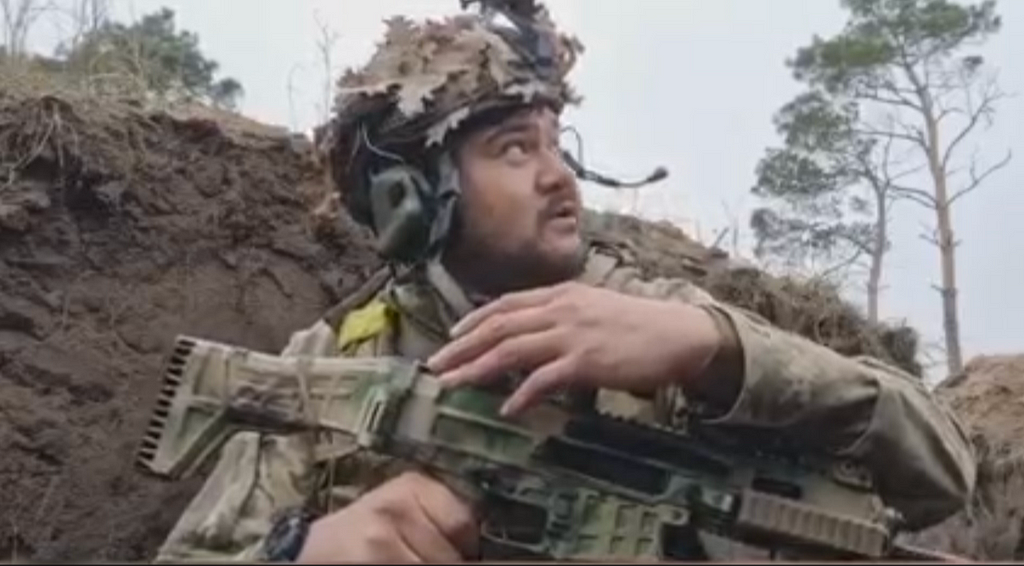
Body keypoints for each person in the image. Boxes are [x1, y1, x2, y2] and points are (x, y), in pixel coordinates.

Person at [154, 1, 975, 562]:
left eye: (558, 141)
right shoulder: (327, 369)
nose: (561, 178)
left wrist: (715, 350)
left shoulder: (658, 330)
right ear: (413, 198)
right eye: (515, 148)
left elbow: (940, 474)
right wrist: (301, 552)